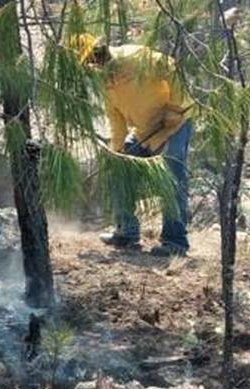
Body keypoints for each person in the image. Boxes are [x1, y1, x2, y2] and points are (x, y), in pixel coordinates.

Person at [73, 34, 194, 257]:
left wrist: (176, 108)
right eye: (90, 62)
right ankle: (126, 231)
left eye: (96, 57)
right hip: (145, 131)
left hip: (176, 124)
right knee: (118, 169)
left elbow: (172, 68)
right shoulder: (104, 81)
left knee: (173, 177)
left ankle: (175, 241)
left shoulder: (135, 56)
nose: (95, 63)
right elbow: (115, 117)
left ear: (103, 50)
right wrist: (116, 150)